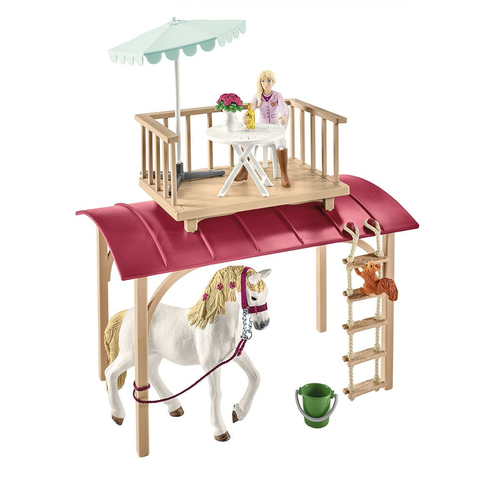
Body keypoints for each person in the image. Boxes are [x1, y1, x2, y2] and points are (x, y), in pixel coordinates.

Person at [238, 70, 291, 187]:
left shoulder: (278, 95)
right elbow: (250, 110)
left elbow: (283, 110)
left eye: (268, 81)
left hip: (274, 127)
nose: (266, 83)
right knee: (245, 141)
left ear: (273, 82)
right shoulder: (257, 96)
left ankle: (284, 174)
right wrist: (245, 117)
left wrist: (283, 117)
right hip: (261, 127)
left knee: (281, 144)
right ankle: (244, 170)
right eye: (263, 81)